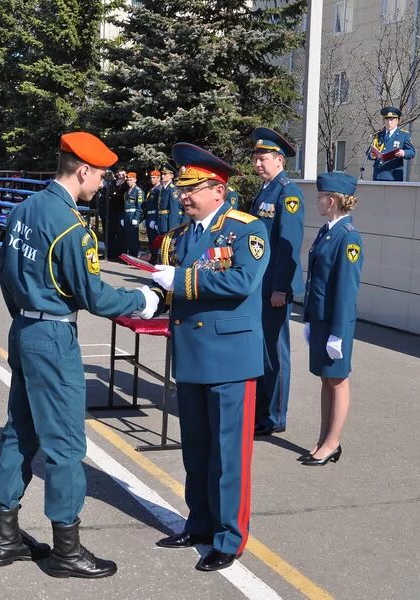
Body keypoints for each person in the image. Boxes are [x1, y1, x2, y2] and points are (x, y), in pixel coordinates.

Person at [0, 131, 160, 579]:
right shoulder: (71, 226)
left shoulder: (25, 209)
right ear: (82, 170)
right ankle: (66, 549)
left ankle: (5, 536)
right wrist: (144, 301)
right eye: (100, 174)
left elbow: (7, 275)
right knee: (65, 444)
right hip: (52, 337)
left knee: (19, 431)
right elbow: (94, 295)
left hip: (24, 328)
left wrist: (26, 316)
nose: (103, 183)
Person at [151, 142, 269, 572]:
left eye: (191, 188)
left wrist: (179, 280)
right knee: (197, 451)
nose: (182, 195)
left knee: (228, 455)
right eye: (181, 188)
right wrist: (151, 297)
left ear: (217, 189)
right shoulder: (180, 236)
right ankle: (199, 522)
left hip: (229, 358)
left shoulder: (246, 230)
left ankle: (229, 537)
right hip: (191, 355)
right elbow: (170, 288)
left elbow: (241, 281)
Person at [300, 172, 363, 466]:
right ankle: (323, 439)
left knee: (338, 380)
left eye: (321, 196)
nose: (318, 201)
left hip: (336, 322)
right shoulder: (327, 231)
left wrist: (337, 332)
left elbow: (346, 290)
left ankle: (332, 442)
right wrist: (311, 321)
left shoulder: (348, 237)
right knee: (326, 379)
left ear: (334, 200)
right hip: (322, 319)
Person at [249, 127, 305, 437]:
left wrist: (281, 288)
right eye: (256, 158)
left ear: (279, 160)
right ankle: (260, 409)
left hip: (275, 288)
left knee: (275, 351)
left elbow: (288, 243)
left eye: (263, 158)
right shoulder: (266, 190)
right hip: (261, 285)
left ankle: (275, 415)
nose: (257, 164)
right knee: (261, 350)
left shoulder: (288, 192)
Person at [368, 106, 416, 181]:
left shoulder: (403, 135)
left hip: (393, 175)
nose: (388, 122)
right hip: (378, 174)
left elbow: (412, 152)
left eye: (391, 120)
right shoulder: (379, 134)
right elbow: (369, 152)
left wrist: (403, 153)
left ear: (397, 121)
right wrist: (372, 155)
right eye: (386, 120)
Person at [156, 165, 184, 235]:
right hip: (162, 221)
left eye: (165, 174)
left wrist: (173, 226)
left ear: (171, 176)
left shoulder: (172, 189)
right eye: (162, 174)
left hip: (169, 222)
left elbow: (174, 208)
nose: (163, 176)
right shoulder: (163, 188)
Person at [122, 172, 144, 257]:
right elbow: (125, 205)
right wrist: (124, 217)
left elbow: (140, 206)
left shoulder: (138, 191)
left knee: (134, 237)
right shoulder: (127, 191)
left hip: (133, 214)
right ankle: (130, 254)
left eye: (131, 180)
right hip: (127, 214)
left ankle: (134, 255)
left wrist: (136, 218)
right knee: (128, 236)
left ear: (135, 180)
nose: (129, 182)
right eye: (128, 180)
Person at [143, 169, 163, 247]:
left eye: (154, 177)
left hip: (154, 215)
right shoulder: (152, 189)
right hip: (149, 215)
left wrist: (156, 220)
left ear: (159, 178)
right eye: (151, 177)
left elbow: (159, 206)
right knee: (150, 238)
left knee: (155, 238)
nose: (152, 179)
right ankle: (152, 256)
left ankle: (155, 257)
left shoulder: (159, 189)